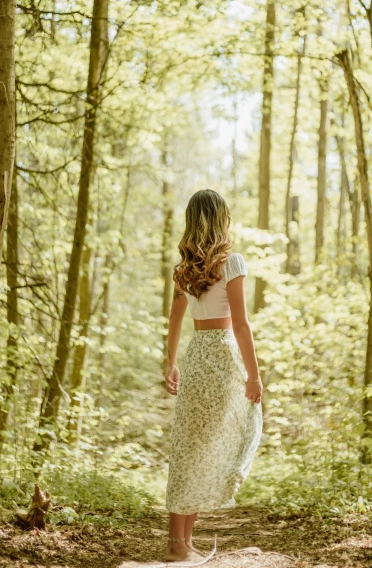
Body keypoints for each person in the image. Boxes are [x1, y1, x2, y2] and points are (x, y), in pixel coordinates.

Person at [163, 189, 263, 563]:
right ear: (221, 219)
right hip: (222, 357)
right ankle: (179, 544)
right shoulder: (231, 262)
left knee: (188, 446)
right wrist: (254, 375)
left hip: (195, 355)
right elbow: (241, 324)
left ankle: (182, 543)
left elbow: (175, 318)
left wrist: (170, 362)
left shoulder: (184, 268)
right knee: (212, 445)